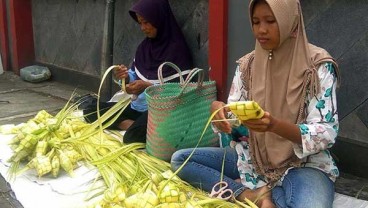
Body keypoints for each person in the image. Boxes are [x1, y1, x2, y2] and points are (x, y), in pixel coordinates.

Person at [171, 0, 340, 207]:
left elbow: (326, 132)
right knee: (181, 160)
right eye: (255, 22)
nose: (261, 30)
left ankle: (270, 193)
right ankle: (248, 194)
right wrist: (220, 115)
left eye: (270, 21)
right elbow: (236, 125)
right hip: (253, 160)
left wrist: (274, 126)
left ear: (290, 21)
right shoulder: (247, 66)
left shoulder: (317, 67)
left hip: (304, 165)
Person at [83, 0, 193, 143]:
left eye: (146, 22)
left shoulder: (177, 51)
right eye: (140, 23)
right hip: (137, 107)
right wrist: (126, 77)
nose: (142, 28)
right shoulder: (144, 47)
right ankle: (130, 125)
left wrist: (148, 87)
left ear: (159, 20)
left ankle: (132, 127)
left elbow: (179, 94)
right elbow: (135, 74)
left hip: (159, 113)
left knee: (131, 137)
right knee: (90, 110)